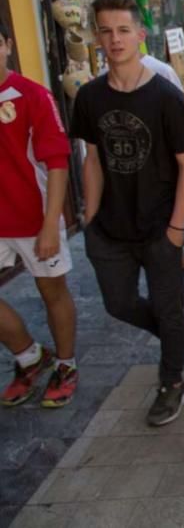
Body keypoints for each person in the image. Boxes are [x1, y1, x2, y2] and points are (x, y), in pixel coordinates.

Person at [71, 0, 184, 426]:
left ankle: (172, 381)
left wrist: (177, 229)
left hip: (160, 227)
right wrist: (89, 218)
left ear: (141, 35)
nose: (114, 39)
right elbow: (92, 159)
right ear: (96, 37)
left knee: (168, 309)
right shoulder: (88, 97)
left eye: (123, 30)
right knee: (119, 304)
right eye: (105, 30)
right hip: (109, 228)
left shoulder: (164, 95)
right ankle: (174, 335)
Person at [0, 22, 79, 408]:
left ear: (8, 45)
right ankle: (29, 356)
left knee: (52, 292)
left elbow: (57, 161)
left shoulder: (32, 95)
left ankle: (66, 364)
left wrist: (52, 223)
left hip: (35, 219)